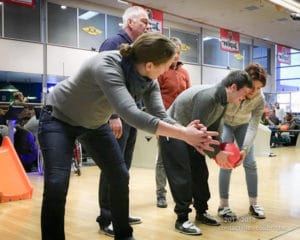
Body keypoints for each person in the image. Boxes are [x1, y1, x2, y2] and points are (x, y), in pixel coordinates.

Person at [38, 32, 220, 240]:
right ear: (150, 65)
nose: (168, 70)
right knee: (56, 183)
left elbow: (160, 115)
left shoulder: (148, 81)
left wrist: (187, 134)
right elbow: (130, 114)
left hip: (95, 125)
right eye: (167, 66)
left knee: (119, 175)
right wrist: (184, 134)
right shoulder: (107, 65)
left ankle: (124, 235)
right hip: (59, 119)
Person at [159, 70, 253, 235]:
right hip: (173, 132)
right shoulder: (208, 97)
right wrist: (217, 153)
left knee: (200, 174)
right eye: (243, 93)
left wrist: (220, 150)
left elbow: (214, 130)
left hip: (191, 135)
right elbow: (199, 129)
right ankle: (182, 219)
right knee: (182, 176)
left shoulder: (223, 102)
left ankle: (201, 212)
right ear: (233, 87)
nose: (243, 98)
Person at [96, 5, 150, 236]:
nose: (148, 27)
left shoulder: (137, 50)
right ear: (130, 23)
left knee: (124, 169)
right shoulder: (112, 44)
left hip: (130, 116)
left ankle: (120, 213)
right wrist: (113, 116)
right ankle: (106, 217)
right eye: (144, 22)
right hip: (116, 117)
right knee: (112, 168)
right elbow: (104, 84)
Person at [218, 63, 267, 222]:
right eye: (253, 87)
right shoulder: (231, 88)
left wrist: (245, 148)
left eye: (259, 88)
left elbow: (254, 125)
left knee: (250, 163)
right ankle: (223, 205)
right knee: (226, 163)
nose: (255, 92)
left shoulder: (260, 99)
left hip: (243, 125)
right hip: (225, 124)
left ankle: (254, 204)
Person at [155, 37, 190, 208]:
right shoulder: (161, 71)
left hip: (181, 121)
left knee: (182, 158)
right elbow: (154, 96)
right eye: (173, 52)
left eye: (178, 52)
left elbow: (189, 95)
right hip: (164, 120)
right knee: (163, 158)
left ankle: (182, 193)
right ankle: (161, 194)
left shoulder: (184, 72)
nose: (176, 55)